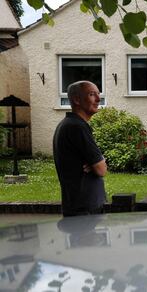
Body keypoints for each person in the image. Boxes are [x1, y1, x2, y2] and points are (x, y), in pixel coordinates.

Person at [53, 81, 107, 217]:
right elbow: (101, 169)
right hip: (84, 209)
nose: (98, 99)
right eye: (91, 94)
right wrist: (99, 162)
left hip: (78, 205)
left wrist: (98, 162)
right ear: (77, 99)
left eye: (98, 94)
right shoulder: (77, 127)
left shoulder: (69, 124)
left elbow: (98, 164)